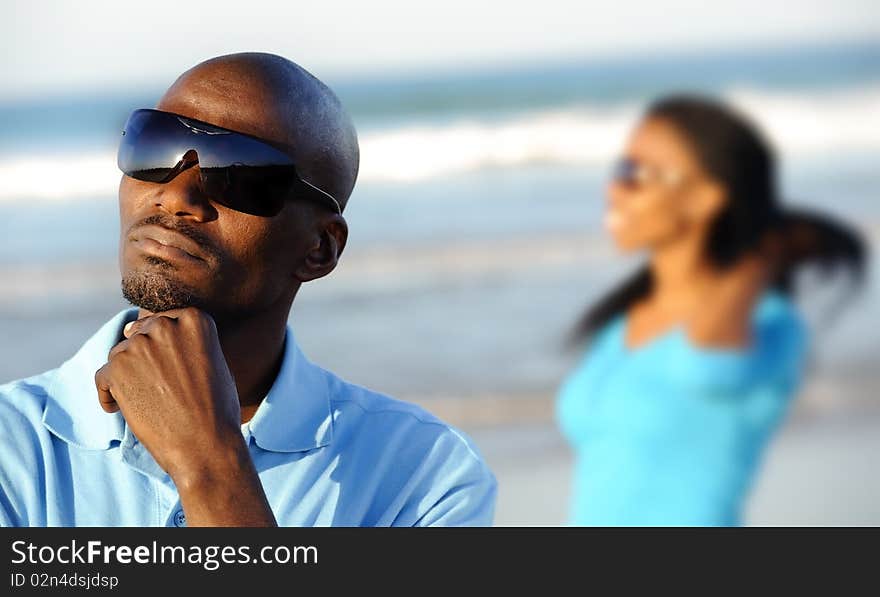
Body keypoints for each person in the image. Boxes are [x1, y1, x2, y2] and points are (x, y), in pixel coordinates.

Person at [0, 53, 496, 527]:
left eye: (238, 174)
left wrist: (211, 467)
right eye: (154, 145)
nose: (175, 196)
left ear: (320, 247)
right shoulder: (11, 444)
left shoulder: (425, 476)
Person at [556, 94, 866, 526]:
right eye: (617, 169)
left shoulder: (770, 324)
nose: (614, 188)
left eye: (634, 173)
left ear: (704, 198)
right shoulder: (621, 324)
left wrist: (765, 252)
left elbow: (706, 364)